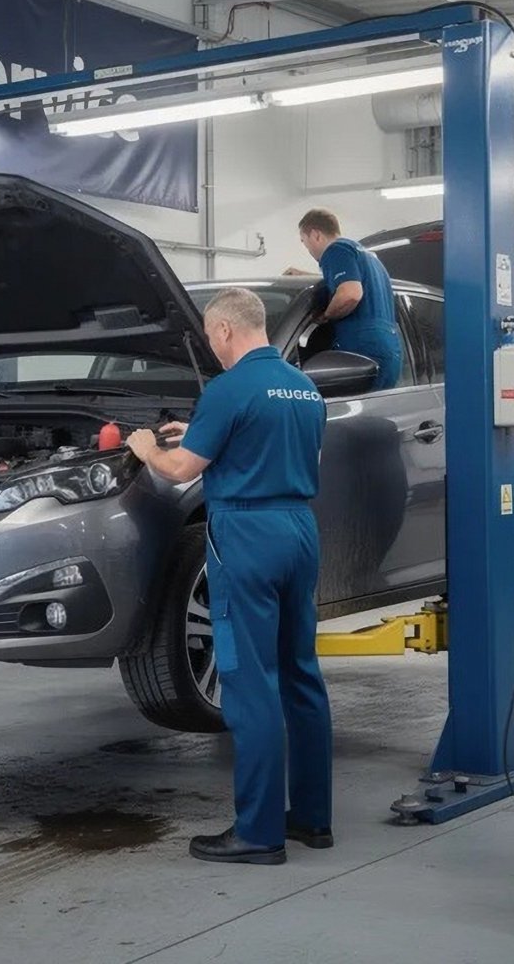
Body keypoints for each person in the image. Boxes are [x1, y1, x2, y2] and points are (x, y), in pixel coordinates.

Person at [127, 287, 332, 865]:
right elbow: (271, 449)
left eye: (212, 341)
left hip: (246, 535)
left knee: (249, 682)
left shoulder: (228, 387)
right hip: (298, 529)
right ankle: (312, 820)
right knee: (300, 673)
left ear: (222, 332)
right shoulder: (304, 388)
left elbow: (178, 471)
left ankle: (259, 832)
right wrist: (193, 432)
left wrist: (147, 447)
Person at [287, 208, 402, 391]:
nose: (308, 249)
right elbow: (347, 282)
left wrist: (325, 316)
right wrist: (303, 276)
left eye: (305, 242)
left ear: (315, 234)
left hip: (362, 350)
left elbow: (350, 294)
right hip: (387, 347)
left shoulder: (335, 250)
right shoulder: (364, 254)